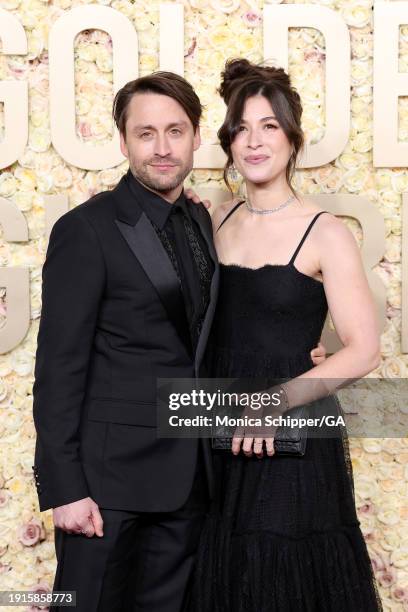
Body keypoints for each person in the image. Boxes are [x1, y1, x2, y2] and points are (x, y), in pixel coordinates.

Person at [31, 70, 326, 612]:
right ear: (123, 142)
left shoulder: (201, 219)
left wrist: (303, 351)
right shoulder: (86, 229)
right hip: (106, 492)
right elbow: (57, 368)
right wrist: (65, 489)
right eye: (146, 134)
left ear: (195, 137)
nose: (162, 148)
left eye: (175, 131)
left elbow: (224, 327)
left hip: (192, 486)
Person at [184, 59, 383, 611]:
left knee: (280, 579)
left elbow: (365, 348)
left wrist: (278, 402)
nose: (254, 141)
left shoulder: (326, 233)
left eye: (269, 126)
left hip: (287, 432)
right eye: (242, 128)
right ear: (227, 141)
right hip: (217, 425)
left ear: (293, 140)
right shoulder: (213, 219)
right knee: (222, 575)